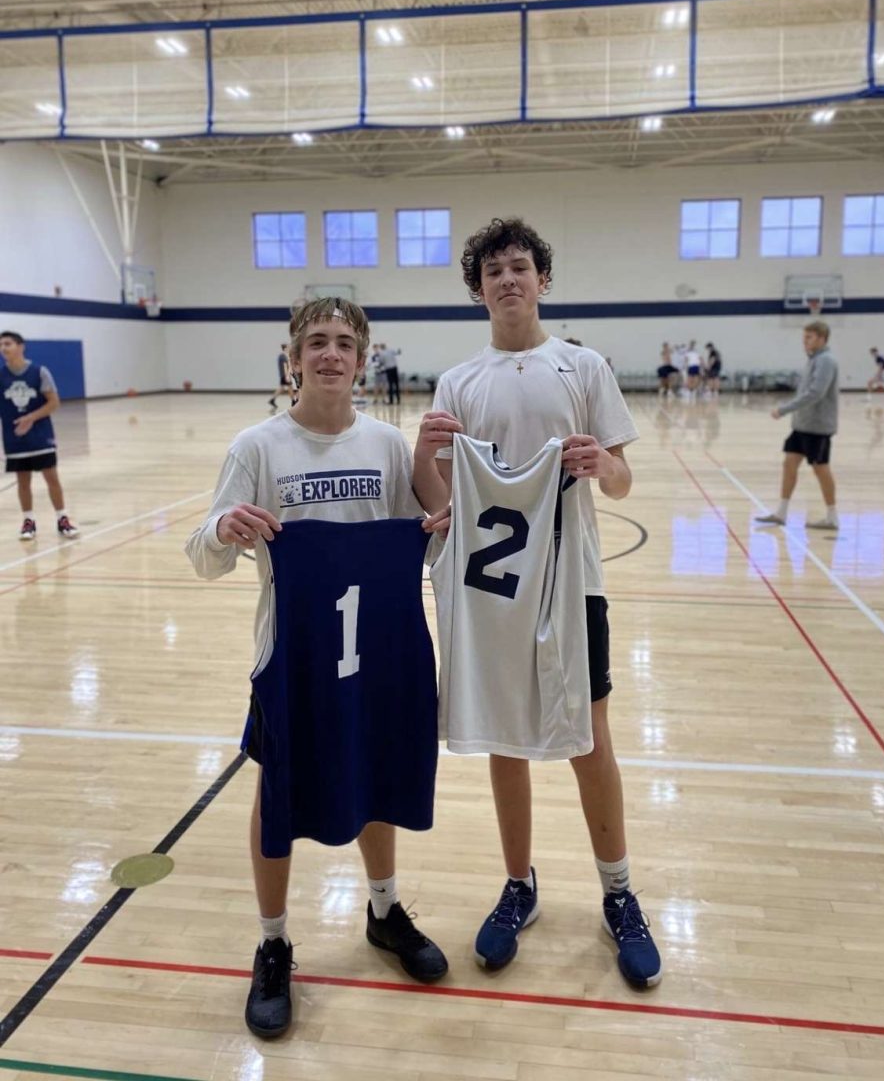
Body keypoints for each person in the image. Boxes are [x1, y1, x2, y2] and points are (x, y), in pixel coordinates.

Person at [185, 297, 447, 1040]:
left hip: (376, 649)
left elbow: (424, 549)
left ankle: (384, 910)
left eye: (343, 344)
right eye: (316, 343)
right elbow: (203, 558)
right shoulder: (258, 447)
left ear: (363, 359)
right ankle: (272, 943)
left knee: (374, 776)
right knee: (278, 787)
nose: (330, 354)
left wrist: (443, 500)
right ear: (293, 357)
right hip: (292, 652)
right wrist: (224, 527)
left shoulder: (389, 447)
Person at [412, 216, 662, 989]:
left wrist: (601, 468)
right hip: (492, 590)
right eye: (494, 272)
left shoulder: (582, 368)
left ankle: (619, 892)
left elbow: (623, 479)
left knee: (590, 736)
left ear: (542, 280)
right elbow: (439, 501)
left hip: (574, 579)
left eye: (520, 267)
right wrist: (424, 457)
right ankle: (519, 884)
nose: (508, 280)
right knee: (505, 740)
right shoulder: (457, 383)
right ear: (478, 290)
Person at [755, 320, 840, 531]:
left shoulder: (826, 361)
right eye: (804, 337)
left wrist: (784, 409)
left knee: (820, 469)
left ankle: (832, 516)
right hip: (802, 426)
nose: (805, 341)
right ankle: (781, 513)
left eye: (809, 337)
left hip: (817, 427)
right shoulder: (813, 360)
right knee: (789, 463)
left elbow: (815, 393)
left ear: (822, 339)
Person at [1, 330, 79, 541]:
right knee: (22, 481)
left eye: (7, 344)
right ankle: (28, 521)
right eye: (1, 345)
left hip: (40, 435)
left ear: (20, 346)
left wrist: (31, 418)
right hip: (14, 437)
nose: (3, 349)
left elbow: (54, 402)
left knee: (51, 477)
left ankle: (62, 518)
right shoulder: (1, 376)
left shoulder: (39, 372)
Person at [268, 343, 293, 409]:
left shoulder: (282, 356)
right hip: (284, 375)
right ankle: (293, 401)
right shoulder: (283, 356)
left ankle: (272, 399)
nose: (289, 348)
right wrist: (287, 376)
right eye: (288, 347)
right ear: (285, 348)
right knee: (290, 387)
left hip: (283, 375)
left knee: (282, 388)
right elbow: (285, 366)